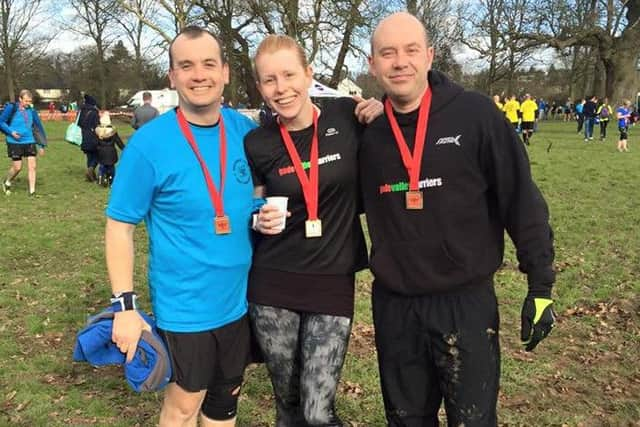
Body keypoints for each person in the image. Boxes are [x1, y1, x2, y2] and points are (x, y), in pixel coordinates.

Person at [360, 12, 556, 426]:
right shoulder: (368, 134)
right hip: (396, 307)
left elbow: (520, 199)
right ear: (372, 63)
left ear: (429, 56)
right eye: (388, 53)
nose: (400, 62)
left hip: (464, 305)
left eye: (411, 50)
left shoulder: (475, 115)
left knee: (473, 419)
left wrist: (541, 284)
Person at [105, 26, 257, 427]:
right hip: (186, 309)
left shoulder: (247, 132)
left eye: (209, 63)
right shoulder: (148, 144)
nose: (199, 74)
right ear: (172, 77)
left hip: (239, 305)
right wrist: (125, 306)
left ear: (225, 71)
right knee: (184, 407)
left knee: (224, 408)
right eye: (186, 65)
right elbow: (119, 226)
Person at [244, 34, 382, 427]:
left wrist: (378, 110)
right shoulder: (257, 142)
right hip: (273, 284)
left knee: (318, 412)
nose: (281, 88)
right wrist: (257, 218)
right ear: (260, 87)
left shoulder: (345, 116)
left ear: (309, 75)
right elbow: (254, 204)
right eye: (269, 80)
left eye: (289, 75)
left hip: (331, 280)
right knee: (288, 406)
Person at [0, 89, 47, 196]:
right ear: (20, 99)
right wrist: (11, 132)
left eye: (30, 101)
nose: (28, 104)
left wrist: (41, 145)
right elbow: (1, 122)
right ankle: (7, 181)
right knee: (17, 167)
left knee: (32, 166)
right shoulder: (12, 108)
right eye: (26, 101)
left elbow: (38, 127)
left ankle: (32, 192)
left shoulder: (32, 110)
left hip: (29, 140)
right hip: (14, 141)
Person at [95, 111, 125, 187]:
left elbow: (95, 142)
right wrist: (124, 148)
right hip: (111, 152)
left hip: (101, 152)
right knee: (111, 167)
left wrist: (96, 149)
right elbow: (118, 141)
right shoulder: (113, 131)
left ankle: (101, 179)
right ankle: (111, 180)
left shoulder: (98, 131)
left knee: (102, 166)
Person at [77, 94, 100, 181]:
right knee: (97, 155)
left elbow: (79, 123)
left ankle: (91, 175)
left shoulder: (81, 112)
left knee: (89, 156)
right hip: (93, 136)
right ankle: (91, 169)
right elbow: (97, 125)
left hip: (84, 136)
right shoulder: (94, 112)